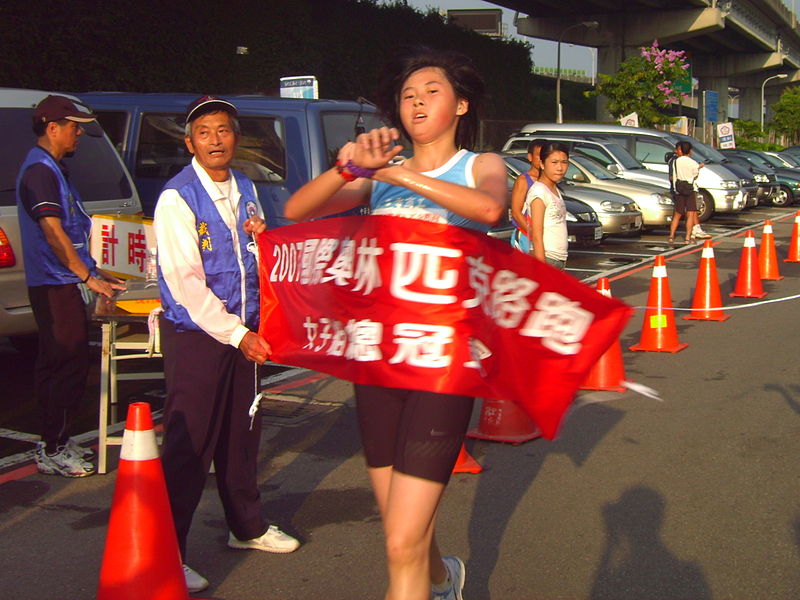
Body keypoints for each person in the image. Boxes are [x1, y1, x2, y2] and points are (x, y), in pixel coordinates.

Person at [284, 46, 506, 600]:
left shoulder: (481, 165)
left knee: (400, 544)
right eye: (408, 95)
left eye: (432, 91)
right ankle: (444, 578)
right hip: (378, 361)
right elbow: (297, 212)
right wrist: (350, 167)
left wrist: (403, 176)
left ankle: (430, 579)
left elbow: (488, 210)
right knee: (401, 531)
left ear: (460, 105)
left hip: (443, 362)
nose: (418, 102)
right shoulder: (379, 177)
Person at [154, 95, 300, 594]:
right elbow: (184, 283)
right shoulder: (177, 199)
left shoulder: (246, 187)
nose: (215, 141)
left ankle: (248, 526)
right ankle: (167, 551)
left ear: (236, 137)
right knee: (189, 444)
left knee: (243, 436)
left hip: (247, 332)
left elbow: (257, 258)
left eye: (223, 130)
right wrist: (238, 335)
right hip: (200, 337)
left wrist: (264, 239)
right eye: (204, 132)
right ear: (189, 141)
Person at [16, 95, 125, 478]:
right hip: (54, 283)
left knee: (59, 362)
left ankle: (56, 440)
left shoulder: (54, 169)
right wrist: (86, 276)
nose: (79, 132)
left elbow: (74, 231)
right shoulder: (40, 172)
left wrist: (97, 269)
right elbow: (52, 231)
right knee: (65, 362)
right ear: (53, 128)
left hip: (61, 280)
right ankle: (54, 448)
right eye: (74, 126)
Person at [524, 141, 570, 269]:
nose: (560, 168)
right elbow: (537, 235)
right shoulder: (539, 192)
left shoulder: (554, 189)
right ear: (542, 164)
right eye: (554, 162)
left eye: (564, 162)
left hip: (558, 258)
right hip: (547, 258)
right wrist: (542, 269)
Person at [668, 141, 711, 243]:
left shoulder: (676, 161)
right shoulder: (693, 163)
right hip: (690, 189)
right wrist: (699, 167)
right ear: (690, 151)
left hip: (679, 189)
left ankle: (671, 236)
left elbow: (674, 175)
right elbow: (695, 176)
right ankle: (687, 237)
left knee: (677, 214)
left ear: (681, 150)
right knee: (690, 214)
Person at [510, 138, 546, 253]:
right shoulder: (523, 180)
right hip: (526, 237)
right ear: (530, 157)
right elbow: (516, 212)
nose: (542, 159)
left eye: (545, 155)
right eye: (538, 155)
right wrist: (532, 233)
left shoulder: (549, 180)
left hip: (545, 237)